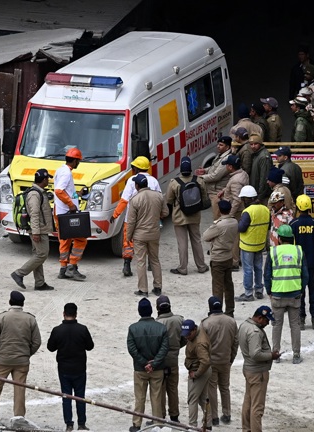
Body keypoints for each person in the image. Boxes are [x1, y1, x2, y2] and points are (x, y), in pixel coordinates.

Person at [0, 289, 41, 425]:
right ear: (22, 304)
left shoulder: (1, 318)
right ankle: (19, 417)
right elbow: (36, 342)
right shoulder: (30, 319)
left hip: (3, 359)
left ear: (10, 302)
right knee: (19, 389)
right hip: (22, 360)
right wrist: (27, 354)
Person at [47, 302, 94, 432]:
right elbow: (90, 346)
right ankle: (82, 423)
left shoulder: (57, 330)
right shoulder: (82, 329)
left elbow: (50, 347)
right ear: (76, 314)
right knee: (80, 396)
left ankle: (69, 424)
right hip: (79, 368)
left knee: (66, 397)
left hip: (64, 369)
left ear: (64, 314)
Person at [111, 157, 160, 278]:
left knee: (128, 241)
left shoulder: (132, 180)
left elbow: (124, 200)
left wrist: (115, 214)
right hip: (149, 217)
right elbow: (159, 199)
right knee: (149, 240)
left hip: (132, 217)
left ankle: (127, 264)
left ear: (136, 169)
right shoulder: (154, 180)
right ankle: (150, 263)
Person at [126, 297, 169, 432]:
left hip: (140, 369)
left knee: (140, 397)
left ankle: (136, 423)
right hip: (157, 369)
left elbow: (132, 349)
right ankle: (158, 424)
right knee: (156, 397)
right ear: (151, 311)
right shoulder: (161, 328)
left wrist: (144, 363)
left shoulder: (133, 328)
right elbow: (164, 348)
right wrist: (154, 363)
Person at [266, 224, 305, 364]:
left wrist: (269, 291)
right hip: (294, 294)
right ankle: (296, 355)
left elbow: (267, 274)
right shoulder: (298, 251)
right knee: (295, 325)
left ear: (280, 238)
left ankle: (276, 354)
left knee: (277, 325)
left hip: (277, 294)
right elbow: (304, 274)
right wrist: (301, 290)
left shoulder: (273, 251)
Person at [12, 168, 55, 291]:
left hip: (40, 229)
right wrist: (36, 232)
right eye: (48, 179)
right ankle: (19, 273)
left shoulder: (39, 192)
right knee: (42, 254)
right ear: (43, 179)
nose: (49, 181)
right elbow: (34, 214)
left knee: (38, 255)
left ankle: (40, 283)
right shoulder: (34, 194)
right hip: (38, 230)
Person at [127, 172, 168, 296]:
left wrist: (128, 237)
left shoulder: (135, 200)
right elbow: (165, 212)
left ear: (137, 186)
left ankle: (143, 289)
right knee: (155, 260)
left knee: (141, 262)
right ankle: (158, 287)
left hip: (140, 235)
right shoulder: (159, 196)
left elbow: (131, 221)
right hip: (154, 233)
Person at [166, 157, 209, 275]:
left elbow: (169, 200)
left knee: (182, 242)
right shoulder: (199, 180)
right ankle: (201, 266)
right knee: (196, 240)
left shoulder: (174, 183)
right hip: (195, 215)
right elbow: (205, 198)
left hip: (179, 216)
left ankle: (183, 268)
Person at [238, 306, 277, 432]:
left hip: (249, 369)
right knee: (257, 407)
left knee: (248, 402)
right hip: (257, 372)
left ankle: (246, 429)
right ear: (260, 318)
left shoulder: (244, 325)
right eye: (266, 320)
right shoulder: (255, 332)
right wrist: (272, 356)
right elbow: (255, 354)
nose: (268, 323)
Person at [201, 296, 238, 425]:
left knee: (212, 389)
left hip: (212, 362)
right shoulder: (231, 321)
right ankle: (227, 414)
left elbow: (202, 346)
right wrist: (231, 358)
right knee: (225, 388)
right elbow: (235, 342)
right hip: (225, 360)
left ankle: (214, 417)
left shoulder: (206, 323)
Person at [55, 148, 89, 281]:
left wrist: (77, 194)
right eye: (78, 161)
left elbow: (64, 191)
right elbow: (59, 191)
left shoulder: (61, 170)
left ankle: (63, 268)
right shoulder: (67, 173)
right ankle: (72, 266)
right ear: (74, 160)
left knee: (64, 241)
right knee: (81, 239)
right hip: (67, 212)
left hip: (61, 212)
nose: (79, 163)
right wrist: (71, 204)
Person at [292, 195, 314, 330]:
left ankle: (301, 318)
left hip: (298, 264)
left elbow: (291, 246)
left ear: (298, 207)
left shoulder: (293, 225)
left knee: (300, 292)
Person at [202, 199, 240, 315]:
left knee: (218, 286)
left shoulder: (218, 225)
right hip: (228, 256)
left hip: (218, 258)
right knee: (228, 285)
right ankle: (230, 310)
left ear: (219, 210)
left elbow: (205, 236)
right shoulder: (234, 222)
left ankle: (216, 310)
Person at [236, 186, 270, 302]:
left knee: (248, 269)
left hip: (247, 245)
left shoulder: (248, 212)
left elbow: (241, 228)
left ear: (247, 199)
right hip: (260, 244)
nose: (242, 201)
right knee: (258, 268)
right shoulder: (265, 209)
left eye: (243, 199)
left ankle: (248, 293)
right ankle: (259, 290)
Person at [156, 295, 185, 423]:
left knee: (160, 389)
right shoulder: (179, 320)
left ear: (157, 308)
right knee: (173, 388)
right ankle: (174, 415)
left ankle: (160, 416)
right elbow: (184, 338)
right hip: (173, 359)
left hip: (160, 361)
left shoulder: (156, 323)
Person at [181, 319, 214, 430]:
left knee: (192, 399)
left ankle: (192, 425)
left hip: (198, 372)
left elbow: (205, 361)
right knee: (203, 399)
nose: (187, 337)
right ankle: (208, 423)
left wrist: (197, 374)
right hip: (203, 371)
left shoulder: (199, 343)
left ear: (194, 330)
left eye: (189, 334)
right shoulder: (198, 333)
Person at [197, 141, 234, 220]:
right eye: (218, 144)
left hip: (217, 191)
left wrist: (200, 177)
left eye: (221, 145)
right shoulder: (220, 155)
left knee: (218, 217)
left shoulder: (227, 158)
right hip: (215, 190)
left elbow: (216, 176)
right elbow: (213, 167)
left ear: (227, 147)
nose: (218, 146)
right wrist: (205, 170)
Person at [248, 137, 273, 204]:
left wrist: (260, 197)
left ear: (260, 144)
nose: (253, 146)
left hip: (261, 196)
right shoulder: (256, 154)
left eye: (255, 144)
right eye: (251, 144)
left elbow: (264, 178)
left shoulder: (263, 157)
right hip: (256, 193)